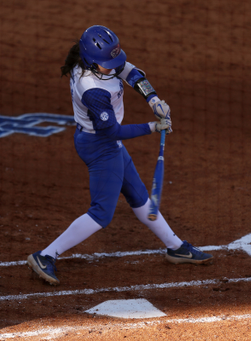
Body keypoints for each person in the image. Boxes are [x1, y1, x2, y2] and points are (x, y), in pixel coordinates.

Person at [27, 25, 213, 286]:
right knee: (102, 213)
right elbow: (112, 131)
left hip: (103, 143)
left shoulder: (96, 63)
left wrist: (152, 98)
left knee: (138, 197)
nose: (112, 67)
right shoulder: (92, 89)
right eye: (107, 64)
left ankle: (176, 247)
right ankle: (45, 255)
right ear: (92, 62)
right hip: (99, 144)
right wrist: (152, 126)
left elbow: (129, 71)